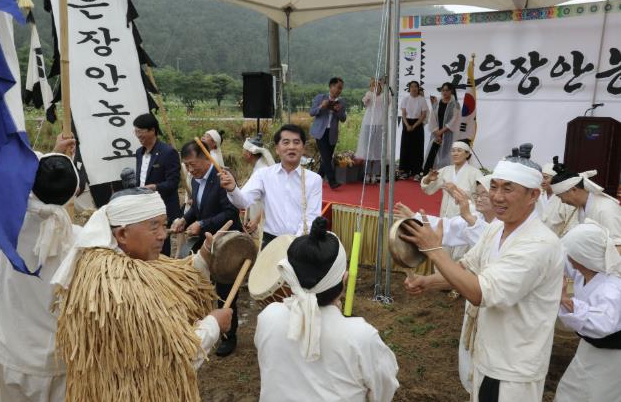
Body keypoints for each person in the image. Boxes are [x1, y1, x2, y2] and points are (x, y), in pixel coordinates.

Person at [403, 147, 563, 402]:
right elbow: (467, 269)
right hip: (488, 354)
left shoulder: (539, 244)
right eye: (494, 187)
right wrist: (427, 282)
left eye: (508, 189)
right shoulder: (497, 228)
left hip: (512, 368)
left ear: (533, 195)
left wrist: (434, 250)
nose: (497, 196)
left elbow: (480, 293)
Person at [51, 188, 233, 401]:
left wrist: (204, 254)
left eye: (164, 224)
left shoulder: (124, 258)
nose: (163, 235)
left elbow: (174, 280)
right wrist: (213, 324)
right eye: (153, 226)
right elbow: (175, 356)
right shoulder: (118, 283)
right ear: (122, 234)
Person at [255, 217, 399, 402]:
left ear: (290, 278)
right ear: (344, 279)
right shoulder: (361, 336)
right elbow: (384, 391)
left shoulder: (269, 317)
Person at [0, 135, 77, 402]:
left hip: (12, 352)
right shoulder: (78, 240)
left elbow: (16, 180)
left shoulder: (5, 226)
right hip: (59, 359)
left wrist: (51, 156)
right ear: (73, 192)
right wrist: (58, 161)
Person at [397, 175, 496, 394]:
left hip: (497, 315)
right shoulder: (476, 218)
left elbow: (481, 271)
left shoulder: (507, 234)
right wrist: (415, 219)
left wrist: (468, 218)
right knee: (472, 361)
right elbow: (449, 231)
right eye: (478, 194)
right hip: (474, 303)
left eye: (485, 194)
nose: (480, 198)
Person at [171, 140, 243, 356]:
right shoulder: (195, 179)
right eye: (187, 165)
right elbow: (198, 206)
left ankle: (229, 336)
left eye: (193, 164)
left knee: (225, 290)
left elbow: (231, 213)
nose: (190, 170)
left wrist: (202, 224)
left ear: (206, 158)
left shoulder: (223, 177)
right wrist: (185, 219)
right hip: (207, 243)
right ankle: (207, 326)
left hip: (226, 243)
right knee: (203, 284)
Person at [219, 124, 322, 249]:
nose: (291, 147)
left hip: (301, 243)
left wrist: (294, 243)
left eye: (296, 142)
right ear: (277, 149)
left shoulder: (314, 180)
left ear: (303, 148)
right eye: (286, 142)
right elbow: (243, 201)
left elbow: (312, 217)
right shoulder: (263, 175)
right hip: (270, 243)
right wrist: (232, 189)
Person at [554, 221, 621, 402]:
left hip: (610, 356)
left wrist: (567, 302)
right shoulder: (583, 272)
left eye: (571, 253)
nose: (567, 256)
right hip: (588, 349)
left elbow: (603, 324)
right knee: (569, 392)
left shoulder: (611, 288)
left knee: (596, 396)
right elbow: (560, 264)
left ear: (583, 257)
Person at [420, 140, 483, 259]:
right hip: (446, 216)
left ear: (467, 154)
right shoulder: (445, 170)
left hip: (464, 219)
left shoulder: (475, 173)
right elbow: (428, 189)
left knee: (460, 255)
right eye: (453, 151)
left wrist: (456, 190)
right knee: (442, 253)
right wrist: (428, 179)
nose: (455, 153)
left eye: (459, 151)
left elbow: (480, 198)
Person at [133, 113, 181, 256]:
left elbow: (173, 183)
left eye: (140, 132)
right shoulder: (139, 153)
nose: (138, 135)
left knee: (161, 246)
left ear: (152, 130)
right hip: (143, 206)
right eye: (136, 131)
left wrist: (154, 187)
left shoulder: (168, 152)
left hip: (161, 207)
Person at [551, 168, 621, 247]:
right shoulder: (579, 207)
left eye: (561, 197)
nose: (562, 201)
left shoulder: (606, 208)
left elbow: (618, 245)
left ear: (574, 190)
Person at [309, 77, 347, 189]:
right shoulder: (320, 98)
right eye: (338, 87)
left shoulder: (341, 102)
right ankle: (332, 181)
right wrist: (322, 106)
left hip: (332, 133)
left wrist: (338, 111)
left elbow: (343, 119)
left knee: (327, 158)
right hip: (320, 132)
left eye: (341, 88)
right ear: (331, 86)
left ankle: (317, 179)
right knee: (326, 157)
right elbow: (312, 112)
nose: (339, 90)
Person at [242, 134, 276, 244]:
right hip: (256, 219)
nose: (242, 154)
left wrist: (256, 220)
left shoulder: (263, 170)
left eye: (243, 151)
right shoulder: (258, 167)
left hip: (261, 221)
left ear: (249, 154)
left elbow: (272, 200)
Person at [422, 82, 460, 175]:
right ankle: (431, 174)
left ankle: (446, 175)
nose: (444, 92)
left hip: (448, 134)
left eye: (447, 90)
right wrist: (436, 132)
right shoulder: (437, 103)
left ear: (451, 91)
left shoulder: (455, 104)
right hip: (436, 134)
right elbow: (432, 118)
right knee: (433, 154)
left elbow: (454, 120)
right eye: (443, 90)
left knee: (447, 155)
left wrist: (441, 131)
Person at [355, 78, 385, 184]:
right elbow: (365, 102)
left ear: (381, 87)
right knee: (368, 149)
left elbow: (389, 103)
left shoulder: (384, 96)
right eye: (373, 85)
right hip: (368, 124)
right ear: (370, 87)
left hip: (380, 125)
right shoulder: (369, 94)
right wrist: (369, 96)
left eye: (377, 85)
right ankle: (367, 173)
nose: (375, 87)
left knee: (377, 150)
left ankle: (375, 173)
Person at [538, 157, 577, 237]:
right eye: (541, 177)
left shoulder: (565, 198)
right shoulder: (537, 194)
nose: (542, 181)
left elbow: (570, 224)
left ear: (555, 179)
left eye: (546, 178)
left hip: (556, 239)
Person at [399, 80, 428, 180]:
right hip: (406, 123)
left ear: (418, 88)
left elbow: (423, 115)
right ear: (409, 88)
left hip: (418, 124)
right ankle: (405, 171)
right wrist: (407, 125)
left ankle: (417, 172)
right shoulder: (405, 99)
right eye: (412, 86)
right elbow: (403, 114)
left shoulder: (422, 99)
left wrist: (414, 125)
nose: (414, 88)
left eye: (416, 86)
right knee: (406, 147)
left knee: (417, 148)